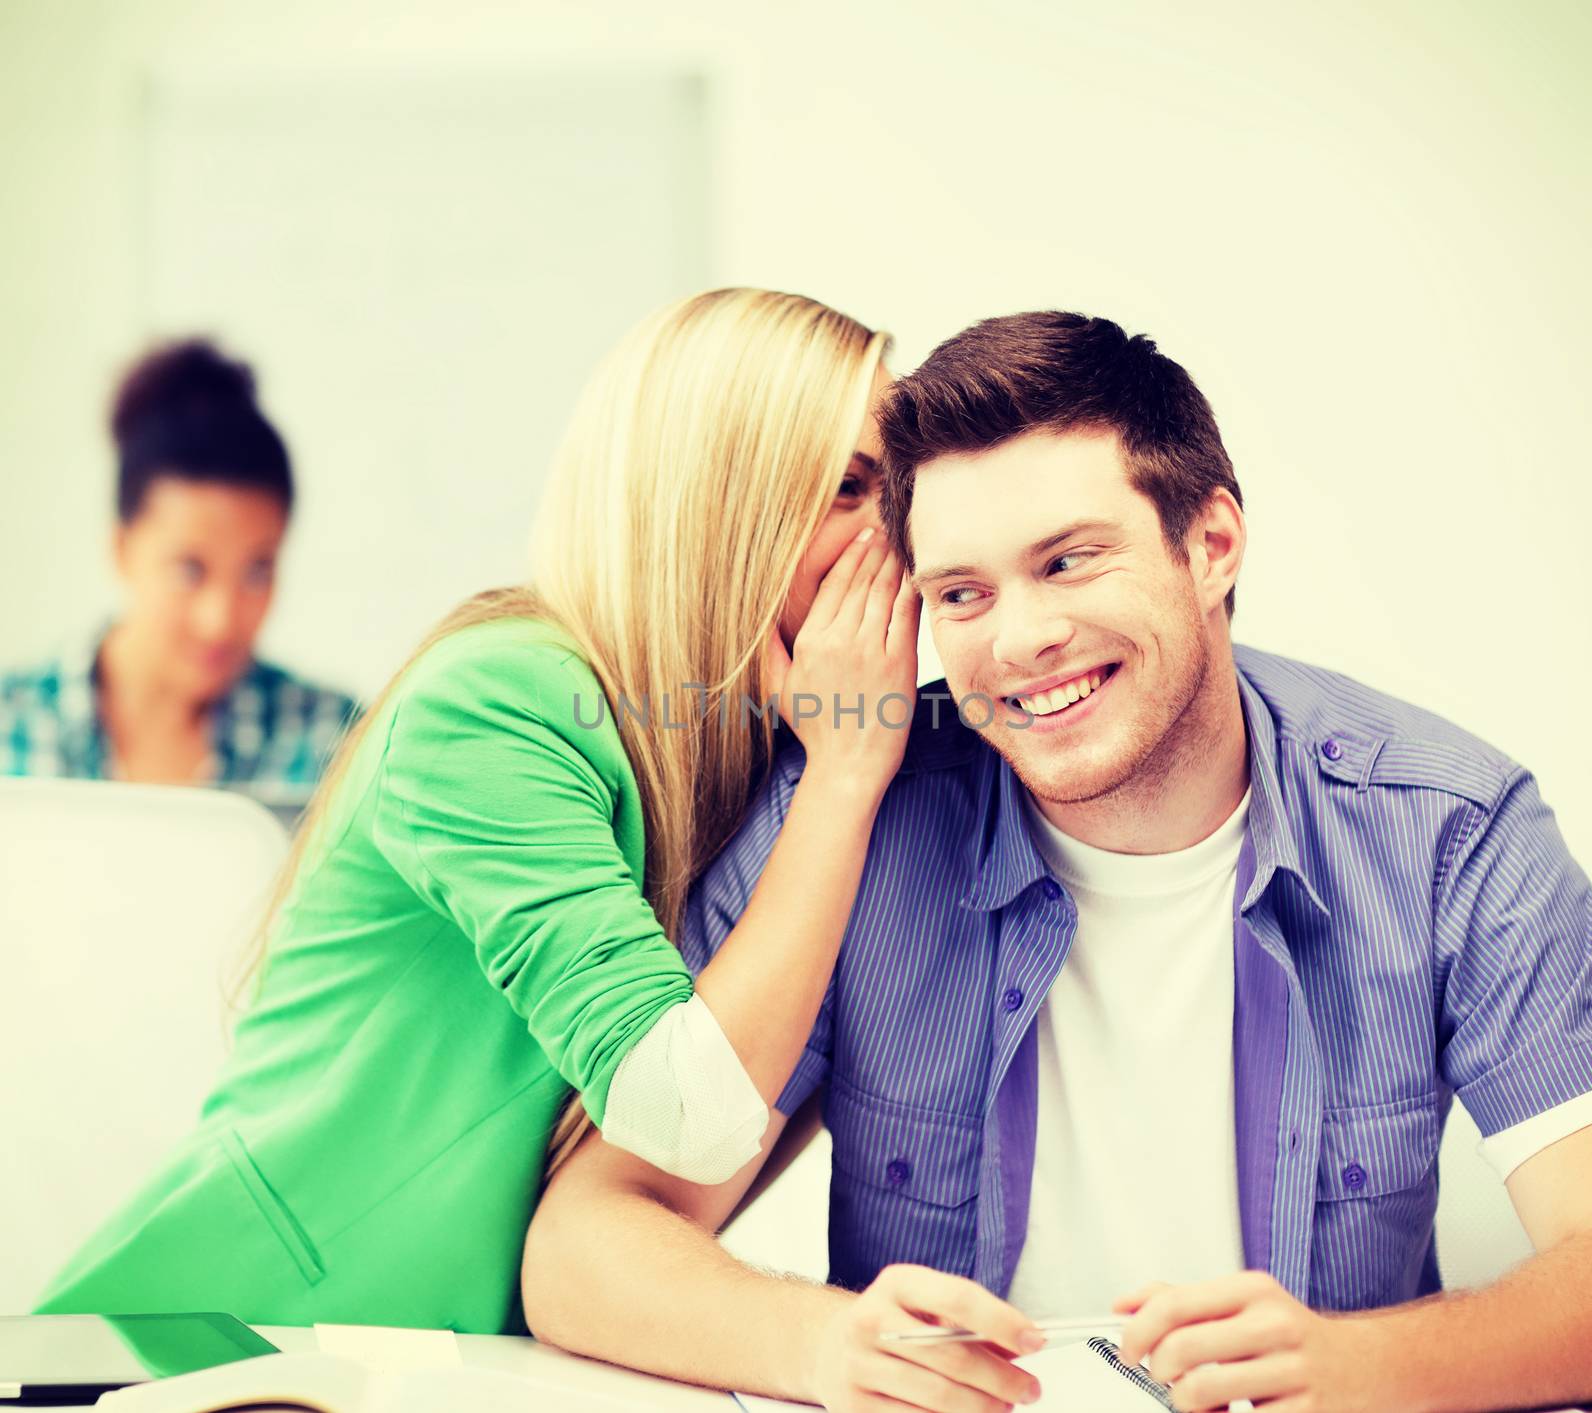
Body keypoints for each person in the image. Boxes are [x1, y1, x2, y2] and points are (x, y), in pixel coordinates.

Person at [522, 312, 1592, 1413]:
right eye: (961, 593)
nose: (1019, 640)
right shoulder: (851, 814)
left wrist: (1354, 1368)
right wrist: (822, 1344)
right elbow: (584, 1241)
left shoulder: (1447, 829)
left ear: (1211, 545)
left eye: (1069, 561)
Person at [35, 288, 919, 1334]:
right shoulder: (496, 702)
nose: (898, 535)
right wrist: (849, 771)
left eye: (898, 491)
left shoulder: (759, 753)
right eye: (851, 485)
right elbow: (688, 1116)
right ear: (724, 499)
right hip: (223, 1344)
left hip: (453, 1363)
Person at [0, 340, 359, 817]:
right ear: (122, 551)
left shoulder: (335, 745)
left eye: (258, 571)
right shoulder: (13, 723)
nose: (221, 620)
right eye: (190, 571)